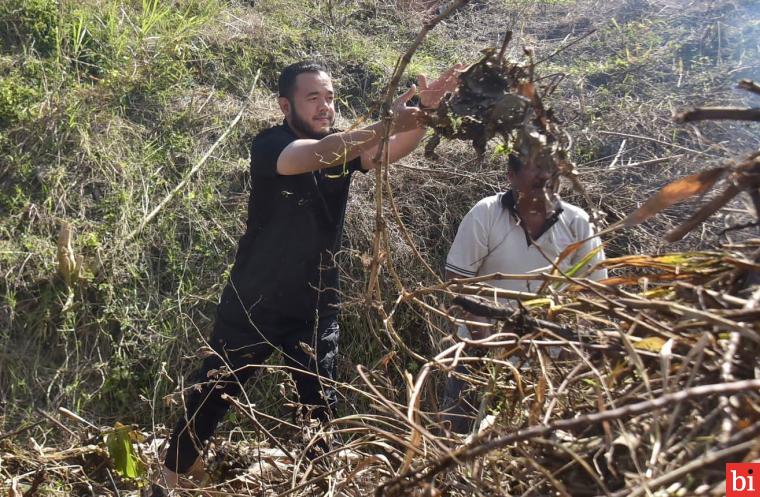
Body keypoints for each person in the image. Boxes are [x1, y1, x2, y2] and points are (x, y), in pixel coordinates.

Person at [150, 60, 462, 495]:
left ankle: (316, 483)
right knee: (214, 391)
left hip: (316, 301)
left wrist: (423, 116)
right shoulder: (272, 144)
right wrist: (385, 123)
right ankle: (170, 478)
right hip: (255, 300)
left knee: (320, 405)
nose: (325, 105)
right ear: (285, 104)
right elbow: (314, 155)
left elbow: (387, 151)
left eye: (329, 97)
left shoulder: (340, 150)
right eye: (313, 97)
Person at [441, 152, 607, 433]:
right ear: (511, 176)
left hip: (549, 363)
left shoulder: (579, 224)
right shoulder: (486, 213)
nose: (544, 176)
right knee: (455, 444)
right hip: (477, 358)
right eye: (535, 167)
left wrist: (571, 351)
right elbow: (458, 283)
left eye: (551, 169)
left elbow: (595, 296)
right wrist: (490, 345)